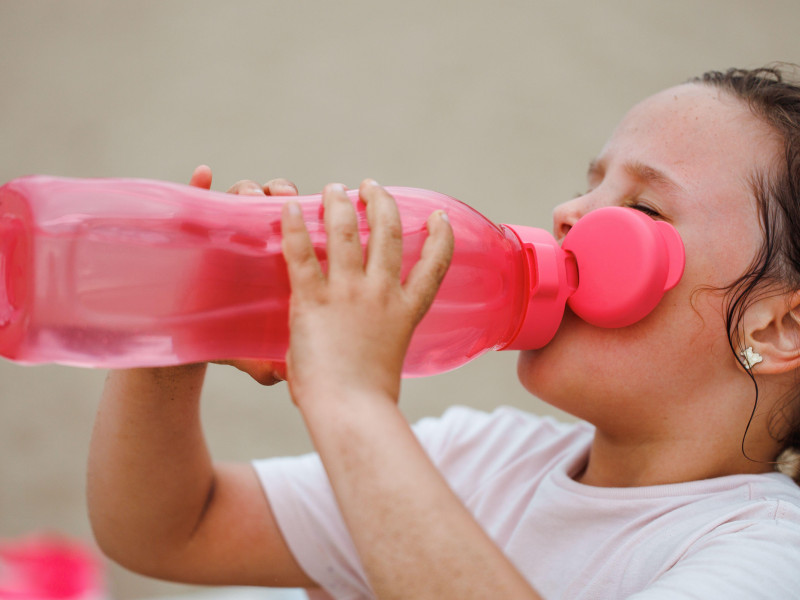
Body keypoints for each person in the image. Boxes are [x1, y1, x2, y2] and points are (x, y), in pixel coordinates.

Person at [86, 66, 800, 599]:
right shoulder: (479, 456)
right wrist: (178, 339)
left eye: (642, 208)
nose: (568, 212)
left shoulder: (769, 556)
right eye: (590, 185)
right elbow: (174, 528)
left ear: (780, 327)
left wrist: (351, 401)